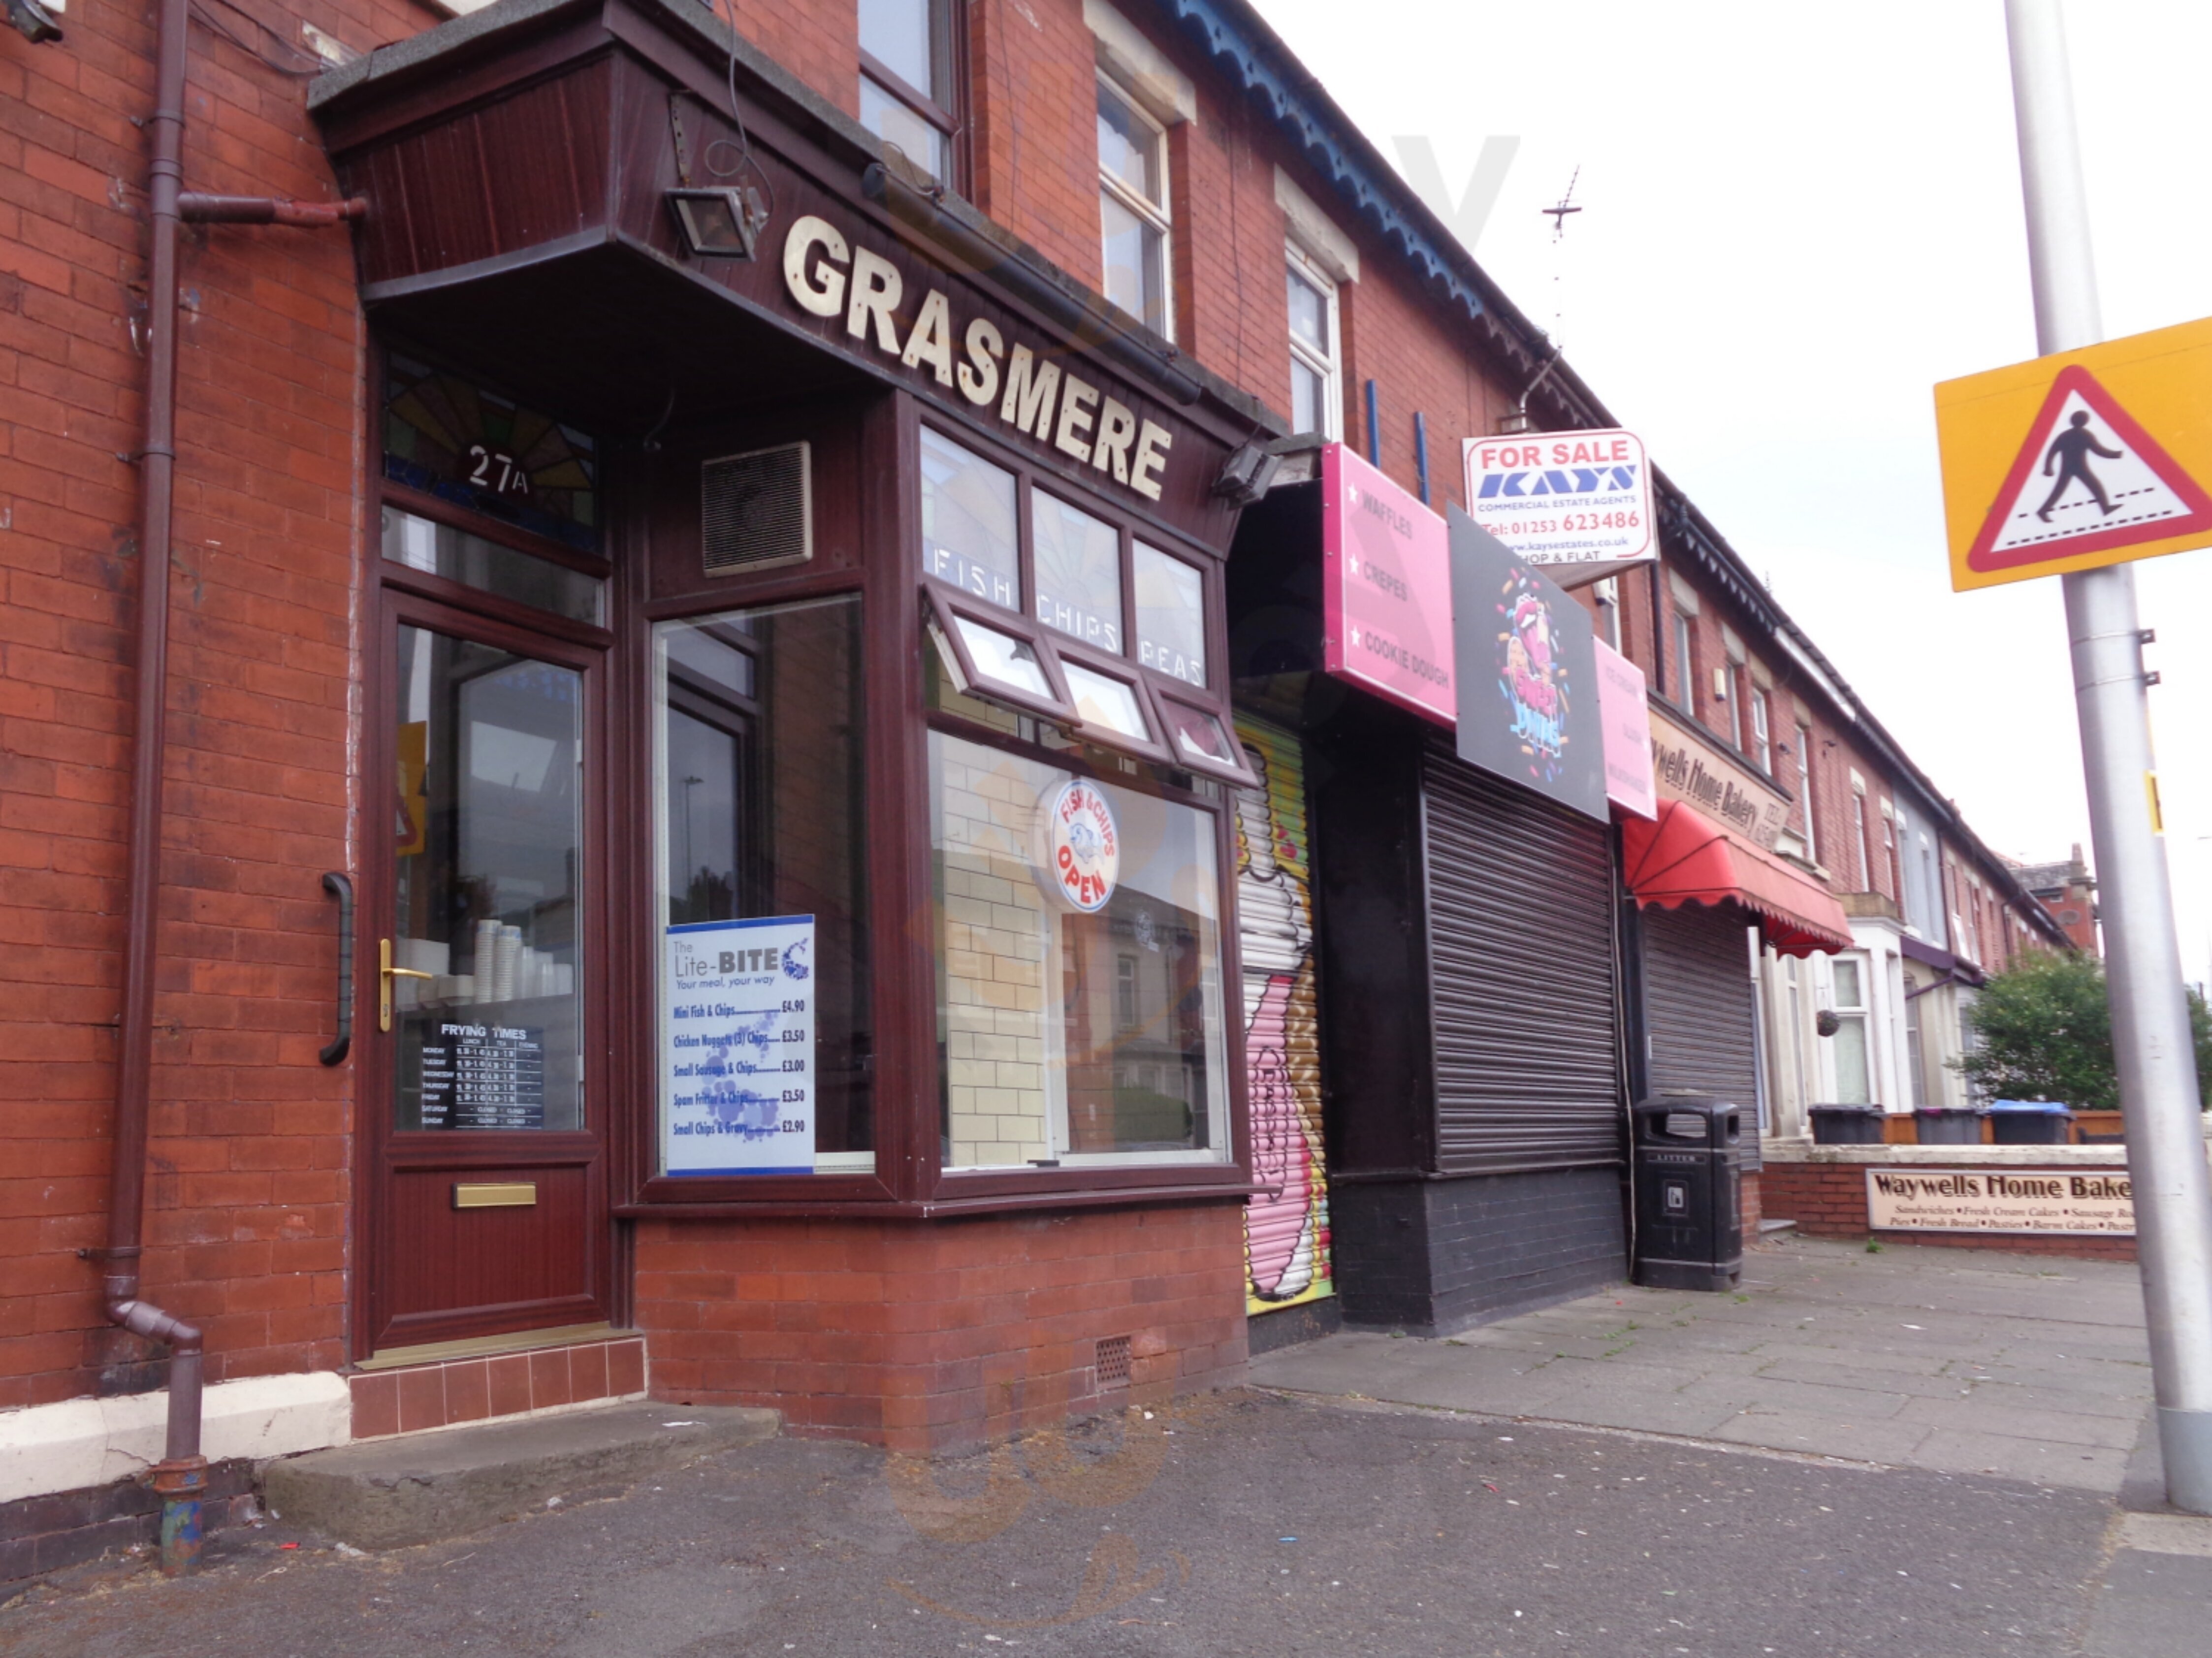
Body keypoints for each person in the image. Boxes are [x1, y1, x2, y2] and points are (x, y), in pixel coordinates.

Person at [2037, 410, 2124, 523]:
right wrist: (2115, 455)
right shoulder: (2085, 434)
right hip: (2077, 467)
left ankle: (2105, 508)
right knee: (2090, 486)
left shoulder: (2065, 435)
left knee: (2091, 486)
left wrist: (2048, 467)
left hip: (2073, 467)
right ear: (2084, 421)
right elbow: (2098, 450)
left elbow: (2052, 452)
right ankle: (2043, 511)